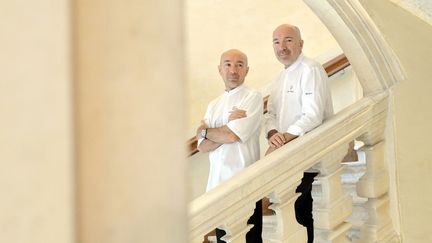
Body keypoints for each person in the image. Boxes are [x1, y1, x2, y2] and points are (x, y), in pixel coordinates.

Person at [265, 24, 334, 243]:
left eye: (288, 40)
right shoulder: (279, 79)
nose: (282, 47)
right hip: (287, 154)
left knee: (303, 213)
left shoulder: (310, 69)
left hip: (308, 153)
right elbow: (270, 114)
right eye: (276, 42)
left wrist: (283, 139)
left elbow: (313, 115)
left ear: (301, 44)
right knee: (295, 213)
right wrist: (273, 134)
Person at [196, 49, 263, 243]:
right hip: (217, 188)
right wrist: (220, 130)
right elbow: (202, 147)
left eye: (239, 65)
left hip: (244, 184)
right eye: (228, 64)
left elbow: (233, 136)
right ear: (220, 69)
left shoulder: (252, 97)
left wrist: (206, 131)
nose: (233, 70)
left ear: (246, 70)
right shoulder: (213, 105)